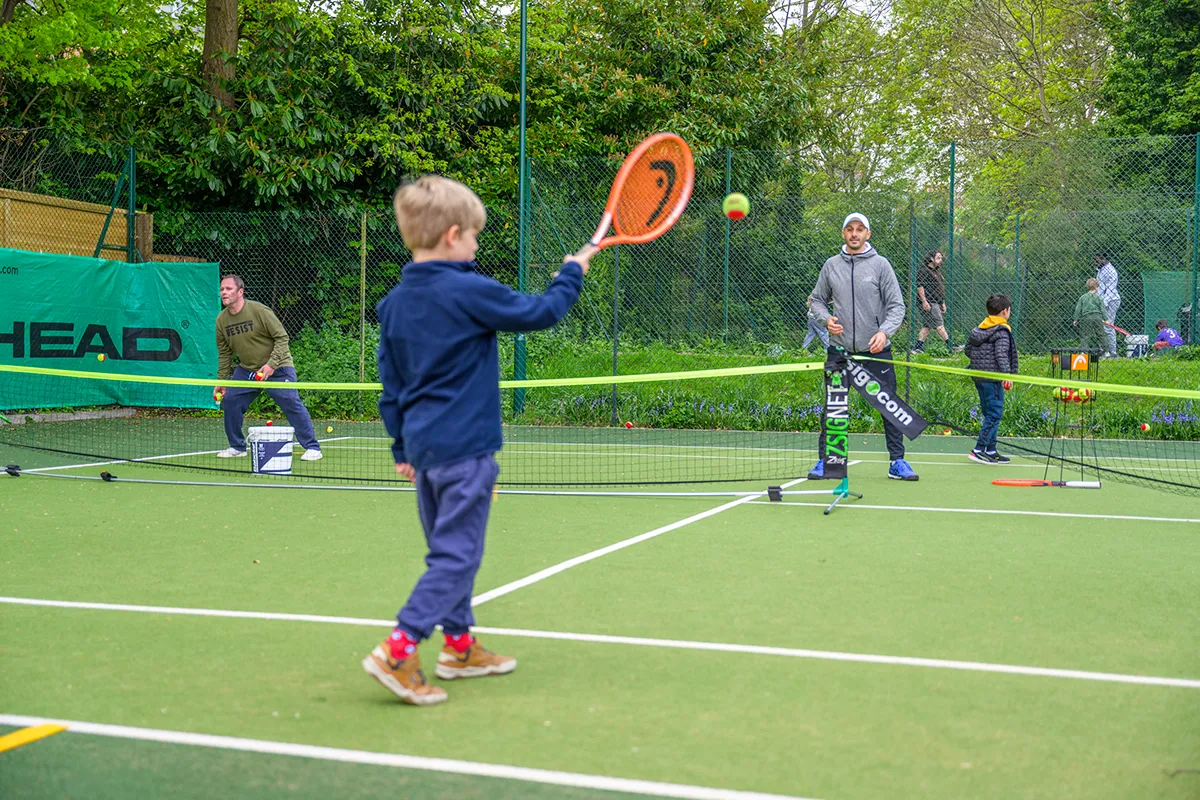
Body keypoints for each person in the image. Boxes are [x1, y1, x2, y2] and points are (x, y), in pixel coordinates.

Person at [361, 175, 596, 706]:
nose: (474, 245)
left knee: (450, 551)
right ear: (450, 235)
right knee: (457, 557)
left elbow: (391, 385)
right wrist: (571, 272)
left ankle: (460, 647)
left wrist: (402, 450)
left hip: (424, 451)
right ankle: (398, 650)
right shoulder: (469, 289)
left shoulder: (395, 303)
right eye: (472, 236)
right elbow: (543, 313)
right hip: (465, 450)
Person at [808, 212, 918, 481]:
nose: (854, 234)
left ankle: (897, 462)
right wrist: (826, 319)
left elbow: (897, 306)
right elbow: (817, 300)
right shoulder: (831, 265)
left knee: (888, 406)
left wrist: (884, 332)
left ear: (868, 234)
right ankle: (828, 462)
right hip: (840, 351)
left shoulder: (881, 265)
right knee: (835, 407)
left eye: (860, 229)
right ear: (843, 234)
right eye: (849, 229)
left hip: (876, 352)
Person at [213, 274, 322, 461]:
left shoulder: (259, 311)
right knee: (230, 400)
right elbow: (224, 353)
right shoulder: (221, 320)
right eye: (222, 289)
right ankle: (237, 447)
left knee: (290, 402)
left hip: (278, 368)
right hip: (247, 370)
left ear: (240, 292)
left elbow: (282, 338)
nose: (224, 292)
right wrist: (222, 381)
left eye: (228, 289)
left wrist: (271, 365)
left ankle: (313, 448)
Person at [964, 294, 1018, 465]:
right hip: (993, 378)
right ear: (1004, 312)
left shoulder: (979, 329)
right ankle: (978, 450)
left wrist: (980, 361)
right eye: (1009, 310)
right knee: (994, 414)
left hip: (979, 377)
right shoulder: (1001, 330)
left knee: (990, 414)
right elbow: (1001, 354)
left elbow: (968, 350)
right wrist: (1006, 375)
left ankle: (991, 450)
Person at [911, 249, 955, 355]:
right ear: (931, 259)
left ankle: (917, 348)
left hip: (936, 302)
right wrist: (924, 302)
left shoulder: (937, 272)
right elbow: (920, 286)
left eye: (941, 258)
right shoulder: (924, 271)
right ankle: (951, 346)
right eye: (938, 258)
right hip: (929, 302)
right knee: (939, 325)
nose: (941, 260)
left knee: (927, 326)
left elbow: (940, 289)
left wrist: (942, 302)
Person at [1094, 252, 1120, 357]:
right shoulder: (1101, 270)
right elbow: (1100, 288)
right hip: (1102, 301)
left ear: (1103, 259)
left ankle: (1113, 352)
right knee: (1100, 326)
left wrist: (1103, 304)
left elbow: (1110, 289)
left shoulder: (1111, 271)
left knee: (1108, 326)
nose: (1095, 263)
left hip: (1111, 301)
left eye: (1097, 260)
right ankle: (1104, 351)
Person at [1072, 277, 1106, 352]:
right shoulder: (1098, 297)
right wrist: (1106, 319)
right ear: (1097, 288)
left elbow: (1078, 309)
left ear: (1088, 287)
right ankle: (1106, 351)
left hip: (1086, 317)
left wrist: (1076, 319)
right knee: (1101, 334)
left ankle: (1084, 352)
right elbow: (1102, 308)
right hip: (1097, 316)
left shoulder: (1083, 297)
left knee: (1085, 335)